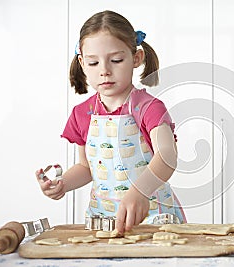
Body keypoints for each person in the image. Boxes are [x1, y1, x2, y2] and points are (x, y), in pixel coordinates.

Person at [35, 10, 186, 233]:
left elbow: (167, 155)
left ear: (136, 58)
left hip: (155, 221)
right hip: (103, 222)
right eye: (94, 62)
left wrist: (140, 191)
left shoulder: (148, 108)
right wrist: (63, 184)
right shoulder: (82, 113)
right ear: (82, 63)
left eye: (116, 60)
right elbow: (87, 167)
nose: (105, 71)